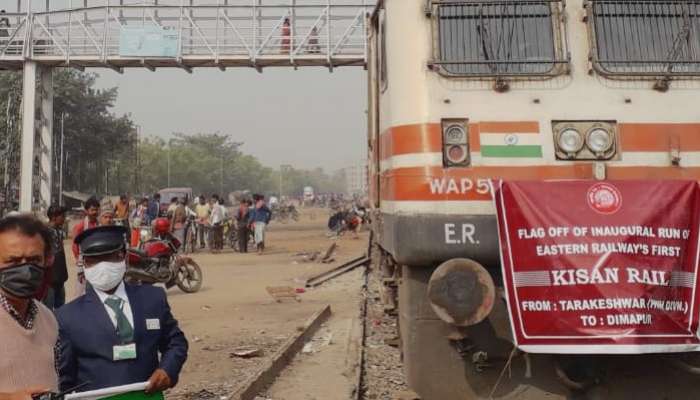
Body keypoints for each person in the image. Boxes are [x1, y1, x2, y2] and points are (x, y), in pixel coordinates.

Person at [57, 226, 188, 392]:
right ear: (84, 264)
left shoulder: (153, 299)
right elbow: (64, 378)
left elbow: (176, 342)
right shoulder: (69, 317)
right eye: (94, 260)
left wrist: (168, 370)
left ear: (124, 258)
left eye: (110, 257)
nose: (103, 266)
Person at [0, 214, 59, 396]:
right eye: (13, 261)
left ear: (46, 260)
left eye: (34, 260)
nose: (26, 271)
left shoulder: (48, 318)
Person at [71, 197, 100, 297]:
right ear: (86, 211)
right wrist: (79, 261)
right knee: (81, 288)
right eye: (92, 210)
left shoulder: (99, 225)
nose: (95, 212)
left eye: (96, 210)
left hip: (97, 260)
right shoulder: (80, 226)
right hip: (84, 261)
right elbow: (75, 246)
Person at [43, 205, 68, 311]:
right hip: (50, 278)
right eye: (62, 216)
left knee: (61, 304)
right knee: (48, 307)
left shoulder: (60, 231)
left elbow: (61, 251)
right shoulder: (45, 232)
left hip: (60, 276)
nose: (64, 219)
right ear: (54, 217)